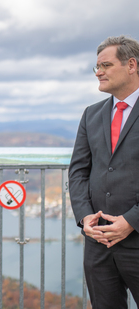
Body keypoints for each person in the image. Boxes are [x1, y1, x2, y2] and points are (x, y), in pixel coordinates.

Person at [69, 35, 139, 308]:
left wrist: (131, 220)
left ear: (131, 65)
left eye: (106, 65)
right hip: (98, 244)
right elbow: (78, 171)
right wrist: (85, 217)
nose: (98, 72)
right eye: (96, 66)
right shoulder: (91, 114)